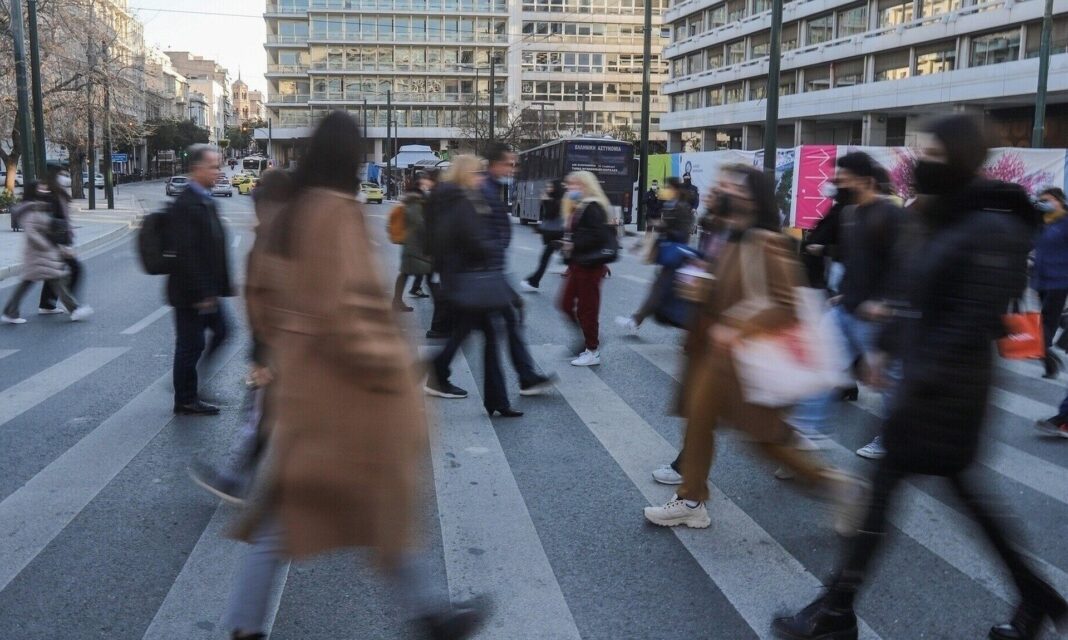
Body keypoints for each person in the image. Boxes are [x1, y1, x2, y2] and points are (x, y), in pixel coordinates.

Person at [774, 115, 1066, 640]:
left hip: (948, 390)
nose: (922, 163)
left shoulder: (990, 226)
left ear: (958, 156)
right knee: (962, 499)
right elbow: (912, 292)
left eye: (933, 153)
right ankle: (1034, 596)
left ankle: (836, 610)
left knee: (892, 491)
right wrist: (883, 350)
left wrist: (912, 374)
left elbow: (967, 320)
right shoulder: (943, 215)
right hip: (932, 383)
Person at [228, 112, 487, 640]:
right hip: (345, 391)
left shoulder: (286, 214)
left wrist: (282, 350)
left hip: (305, 387)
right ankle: (430, 615)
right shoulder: (333, 212)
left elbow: (261, 300)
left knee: (310, 509)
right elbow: (346, 308)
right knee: (373, 499)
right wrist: (390, 365)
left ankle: (428, 613)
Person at [642, 164, 865, 533]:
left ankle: (838, 486)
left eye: (731, 185)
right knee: (698, 424)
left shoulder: (766, 241)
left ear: (751, 196)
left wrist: (738, 325)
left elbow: (785, 304)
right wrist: (703, 289)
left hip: (745, 361)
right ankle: (691, 499)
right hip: (714, 357)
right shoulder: (730, 235)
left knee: (766, 442)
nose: (720, 189)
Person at [188, 169, 294, 504]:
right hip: (289, 345)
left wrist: (263, 355)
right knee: (267, 413)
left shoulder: (273, 242)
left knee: (259, 414)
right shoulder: (284, 236)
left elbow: (272, 301)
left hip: (279, 347)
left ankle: (234, 479)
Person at [788, 152, 905, 455]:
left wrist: (887, 303)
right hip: (847, 307)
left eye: (845, 177)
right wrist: (843, 292)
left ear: (865, 180)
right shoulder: (852, 214)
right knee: (821, 362)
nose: (838, 182)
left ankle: (895, 439)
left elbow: (904, 265)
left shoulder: (891, 215)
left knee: (890, 382)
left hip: (875, 315)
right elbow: (857, 262)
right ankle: (806, 431)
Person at [425, 155, 524, 416]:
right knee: (485, 334)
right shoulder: (461, 200)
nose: (482, 177)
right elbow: (472, 239)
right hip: (471, 278)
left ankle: (494, 399)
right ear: (466, 173)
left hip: (463, 278)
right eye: (478, 172)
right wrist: (493, 248)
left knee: (472, 333)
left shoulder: (448, 197)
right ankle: (494, 400)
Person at [479, 143, 555, 396]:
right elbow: (482, 234)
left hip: (491, 271)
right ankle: (438, 370)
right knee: (474, 330)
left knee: (505, 322)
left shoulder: (493, 188)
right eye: (510, 164)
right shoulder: (486, 190)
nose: (514, 168)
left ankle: (526, 377)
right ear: (495, 164)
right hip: (488, 272)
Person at [168, 144, 232, 415]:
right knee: (190, 345)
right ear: (197, 169)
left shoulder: (204, 198)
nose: (218, 171)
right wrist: (204, 292)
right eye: (213, 166)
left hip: (206, 289)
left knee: (221, 332)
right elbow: (187, 254)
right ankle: (185, 397)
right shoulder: (186, 203)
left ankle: (191, 384)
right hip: (191, 292)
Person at [1, 181, 92, 324]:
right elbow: (32, 233)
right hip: (38, 253)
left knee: (34, 282)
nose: (44, 189)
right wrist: (47, 246)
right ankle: (75, 309)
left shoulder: (37, 207)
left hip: (41, 254)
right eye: (40, 188)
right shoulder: (29, 209)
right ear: (33, 191)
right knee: (54, 280)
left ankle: (11, 312)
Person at [616, 176, 697, 334]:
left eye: (667, 187)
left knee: (659, 290)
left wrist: (663, 227)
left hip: (676, 256)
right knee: (662, 291)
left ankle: (637, 320)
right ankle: (637, 320)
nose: (664, 190)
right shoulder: (669, 205)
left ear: (674, 189)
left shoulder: (681, 207)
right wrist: (641, 243)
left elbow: (683, 234)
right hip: (667, 255)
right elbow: (659, 230)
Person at [559, 170, 617, 367]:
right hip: (579, 264)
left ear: (585, 185)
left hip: (590, 266)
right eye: (569, 185)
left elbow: (598, 236)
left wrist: (574, 243)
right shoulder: (581, 206)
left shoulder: (593, 207)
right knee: (565, 304)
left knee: (587, 309)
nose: (570, 189)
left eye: (574, 185)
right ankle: (587, 341)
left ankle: (592, 349)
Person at [1031, 187, 1068, 378]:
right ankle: (1048, 359)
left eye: (1048, 200)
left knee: (1046, 323)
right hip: (1041, 281)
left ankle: (1048, 359)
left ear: (1059, 201)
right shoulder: (1044, 223)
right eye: (1042, 200)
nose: (1044, 203)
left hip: (1060, 280)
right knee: (1045, 322)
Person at [37, 167, 83, 315]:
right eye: (61, 175)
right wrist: (62, 245)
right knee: (75, 269)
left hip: (60, 240)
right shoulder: (52, 196)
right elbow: (53, 222)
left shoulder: (60, 194)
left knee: (53, 273)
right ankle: (70, 303)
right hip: (56, 242)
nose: (65, 178)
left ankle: (47, 304)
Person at [392, 173, 434, 312]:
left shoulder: (413, 198)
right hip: (414, 245)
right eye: (425, 180)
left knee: (406, 273)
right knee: (409, 273)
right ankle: (398, 301)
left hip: (411, 245)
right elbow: (418, 223)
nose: (427, 183)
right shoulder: (416, 200)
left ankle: (398, 300)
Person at [521, 179, 566, 291]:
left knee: (545, 258)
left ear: (556, 188)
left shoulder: (559, 201)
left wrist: (546, 201)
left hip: (556, 235)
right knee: (547, 258)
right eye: (548, 187)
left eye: (551, 187)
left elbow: (550, 215)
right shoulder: (555, 199)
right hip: (555, 234)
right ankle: (533, 280)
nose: (548, 189)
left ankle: (534, 281)